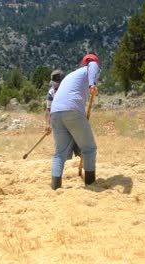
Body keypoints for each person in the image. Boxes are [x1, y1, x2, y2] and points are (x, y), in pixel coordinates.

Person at [49, 54, 100, 190]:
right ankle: (90, 184)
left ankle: (55, 187)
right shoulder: (90, 67)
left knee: (59, 152)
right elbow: (93, 64)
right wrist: (92, 85)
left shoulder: (71, 76)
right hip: (72, 110)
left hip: (55, 113)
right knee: (89, 149)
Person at [45, 69, 80, 160]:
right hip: (60, 125)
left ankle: (83, 170)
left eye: (57, 83)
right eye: (54, 83)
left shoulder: (72, 89)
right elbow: (48, 109)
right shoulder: (52, 92)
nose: (55, 85)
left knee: (81, 150)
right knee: (64, 152)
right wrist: (48, 124)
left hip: (75, 123)